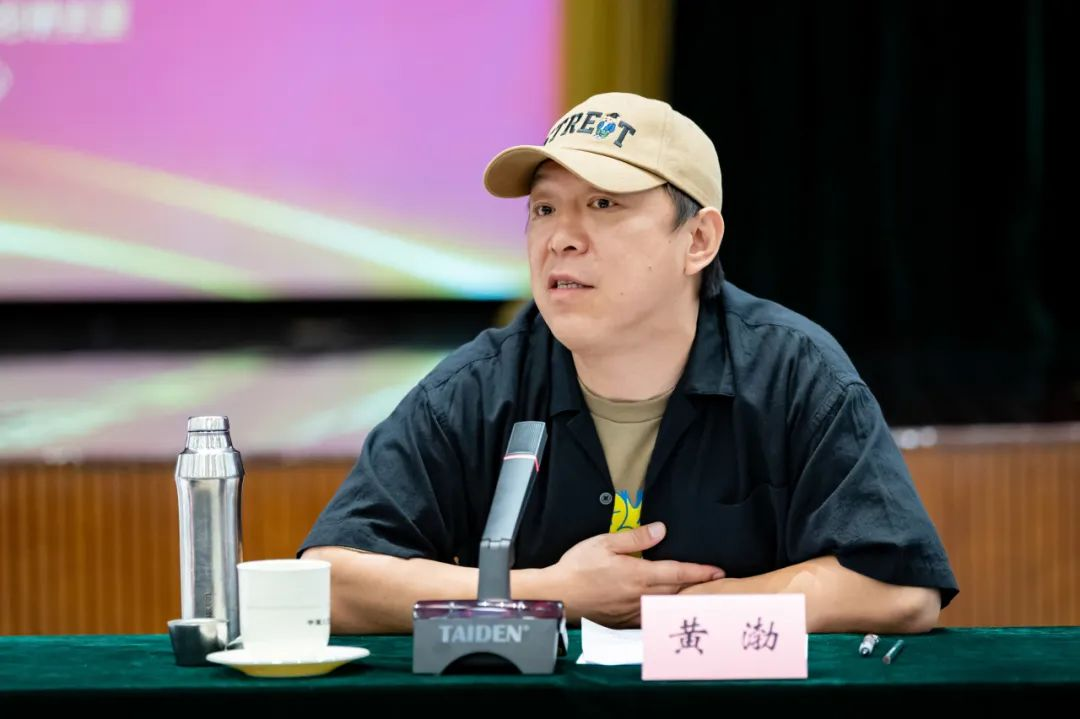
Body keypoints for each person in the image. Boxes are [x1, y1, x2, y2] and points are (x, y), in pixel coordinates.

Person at [299, 92, 958, 635]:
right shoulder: (480, 386)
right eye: (544, 208)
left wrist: (673, 612)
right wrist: (551, 592)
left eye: (603, 204)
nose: (561, 238)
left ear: (698, 239)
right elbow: (329, 581)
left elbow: (899, 589)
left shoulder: (793, 372)